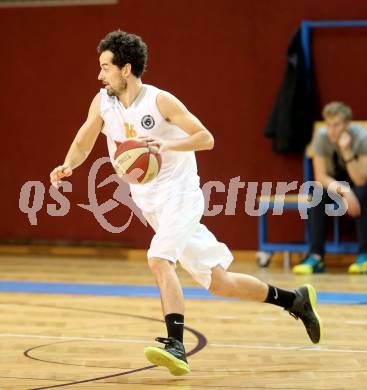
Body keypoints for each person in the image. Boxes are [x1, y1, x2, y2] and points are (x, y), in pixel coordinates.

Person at [50, 30, 323, 376]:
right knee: (220, 282)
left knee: (158, 258)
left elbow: (205, 138)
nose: (100, 75)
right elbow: (84, 139)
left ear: (127, 69)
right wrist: (68, 165)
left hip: (180, 196)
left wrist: (167, 146)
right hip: (151, 204)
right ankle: (295, 300)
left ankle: (176, 345)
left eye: (106, 67)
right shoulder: (103, 102)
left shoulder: (160, 101)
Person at [293, 102, 367, 275]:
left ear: (347, 124)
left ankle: (364, 254)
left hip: (359, 180)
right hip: (336, 183)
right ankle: (316, 257)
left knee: (363, 193)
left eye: (336, 125)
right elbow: (321, 177)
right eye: (328, 124)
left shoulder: (361, 137)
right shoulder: (321, 136)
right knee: (316, 192)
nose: (331, 130)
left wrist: (346, 150)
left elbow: (361, 179)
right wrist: (346, 191)